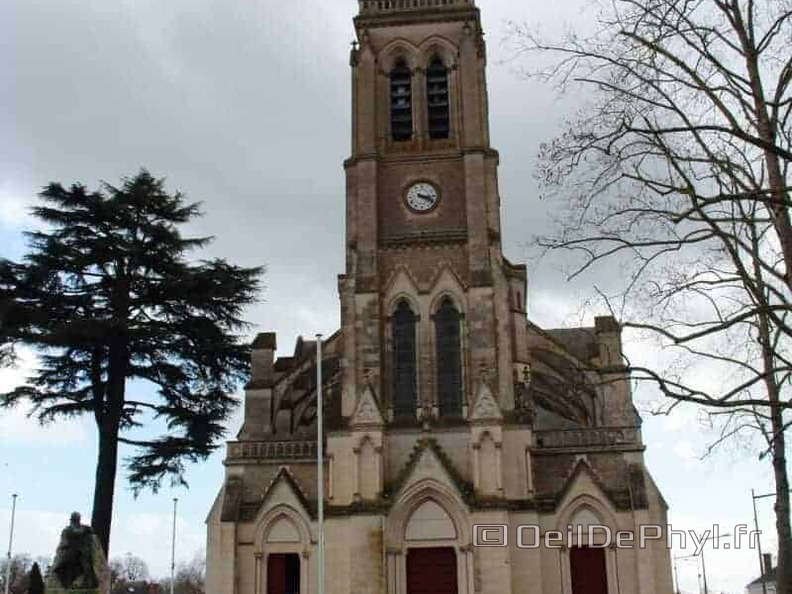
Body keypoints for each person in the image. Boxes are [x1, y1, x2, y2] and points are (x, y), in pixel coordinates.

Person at [52, 512, 97, 589]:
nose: (76, 521)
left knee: (87, 568)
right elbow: (66, 541)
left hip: (82, 553)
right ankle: (68, 584)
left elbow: (90, 533)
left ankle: (87, 584)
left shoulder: (84, 528)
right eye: (74, 519)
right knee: (64, 567)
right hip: (69, 554)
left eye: (77, 519)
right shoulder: (68, 530)